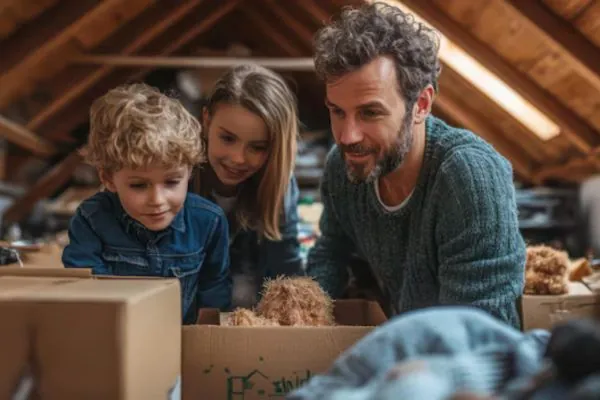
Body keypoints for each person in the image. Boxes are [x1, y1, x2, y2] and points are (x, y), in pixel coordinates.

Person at [306, 2, 526, 327]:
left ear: (421, 104)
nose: (347, 136)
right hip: (405, 345)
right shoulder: (343, 166)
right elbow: (332, 249)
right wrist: (304, 317)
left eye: (370, 113)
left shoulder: (467, 176)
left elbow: (476, 332)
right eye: (338, 111)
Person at [62, 83, 231, 325]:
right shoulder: (91, 219)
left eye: (172, 182)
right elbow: (88, 296)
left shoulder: (209, 221)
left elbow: (215, 290)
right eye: (139, 186)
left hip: (182, 344)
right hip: (116, 340)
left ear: (189, 172)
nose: (157, 200)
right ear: (108, 178)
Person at [190, 64, 303, 308]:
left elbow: (286, 270)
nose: (238, 158)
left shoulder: (279, 183)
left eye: (257, 147)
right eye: (228, 138)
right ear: (207, 120)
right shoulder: (176, 174)